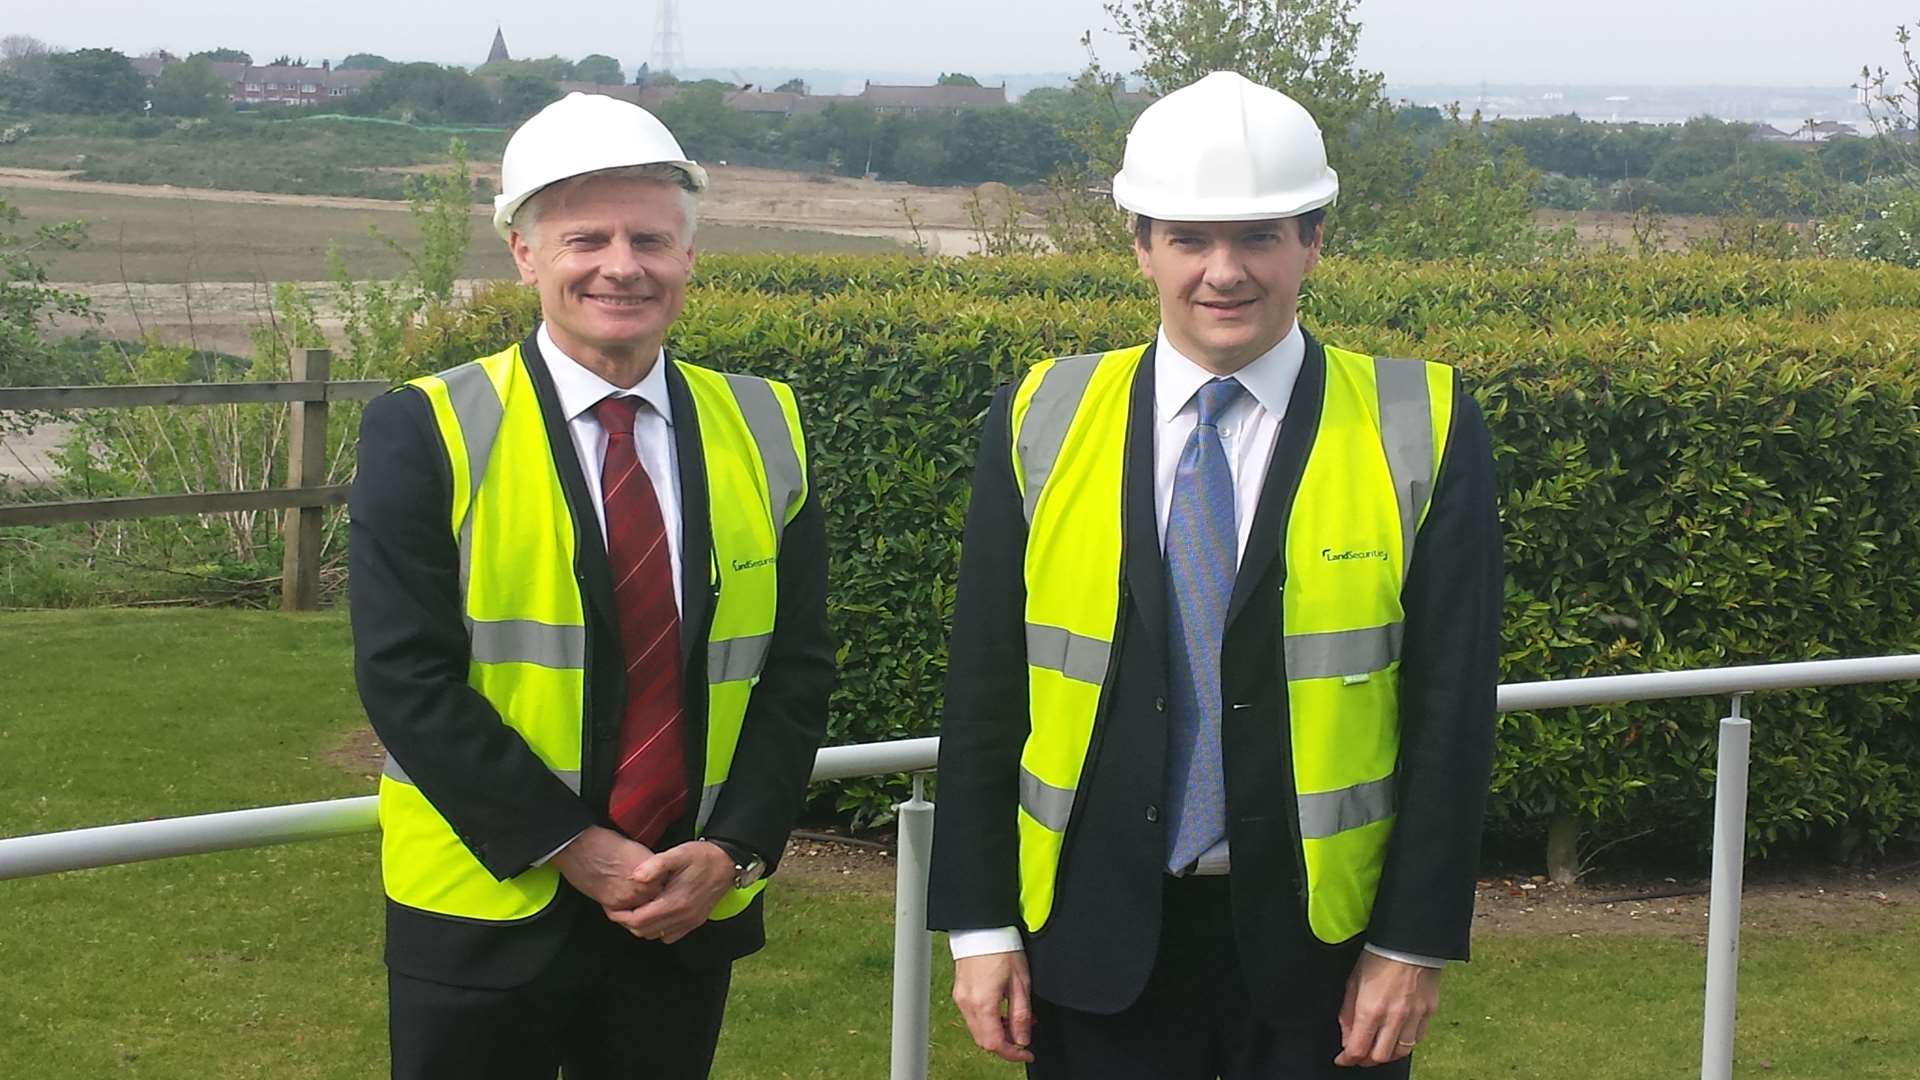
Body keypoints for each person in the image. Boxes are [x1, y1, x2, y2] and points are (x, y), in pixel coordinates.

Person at [928, 71, 1501, 1079]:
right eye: (1190, 238)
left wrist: (1411, 943)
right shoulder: (1043, 414)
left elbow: (1452, 713)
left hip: (1323, 959)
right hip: (1092, 939)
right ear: (1142, 247)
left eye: (1260, 238)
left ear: (1313, 243)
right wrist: (979, 927)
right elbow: (985, 690)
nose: (1223, 272)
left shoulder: (1424, 421)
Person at [350, 93, 833, 1080]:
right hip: (484, 909)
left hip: (682, 906)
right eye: (586, 238)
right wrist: (576, 846)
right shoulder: (427, 427)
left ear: (689, 256)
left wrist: (734, 848)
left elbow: (796, 667)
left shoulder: (766, 425)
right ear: (524, 254)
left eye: (650, 238)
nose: (622, 265)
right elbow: (405, 677)